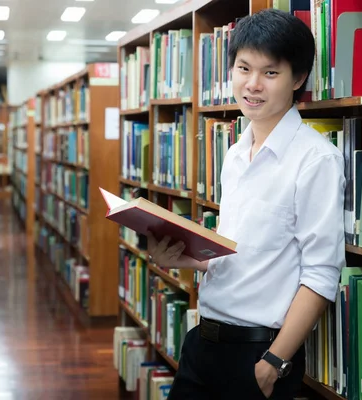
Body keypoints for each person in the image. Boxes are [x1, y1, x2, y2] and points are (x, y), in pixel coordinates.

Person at [145, 8, 346, 400]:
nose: (252, 84)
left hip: (257, 356)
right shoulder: (236, 152)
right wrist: (184, 258)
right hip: (202, 344)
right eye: (243, 68)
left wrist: (272, 364)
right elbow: (243, 252)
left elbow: (321, 273)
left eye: (270, 73)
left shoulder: (315, 159)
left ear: (298, 78)